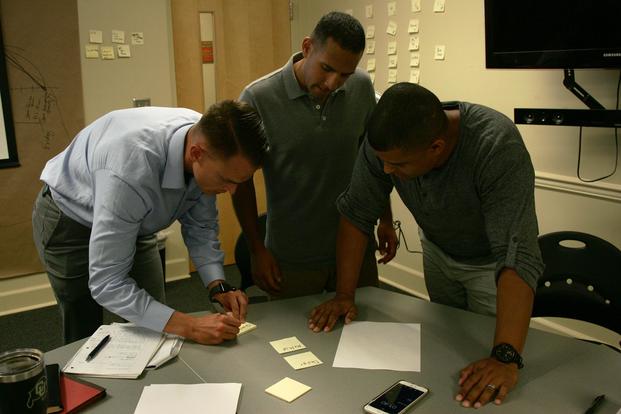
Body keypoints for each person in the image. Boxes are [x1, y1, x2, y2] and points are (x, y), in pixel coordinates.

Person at [309, 83, 544, 408]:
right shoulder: (387, 145)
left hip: (491, 266)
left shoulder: (495, 144)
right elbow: (356, 212)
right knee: (448, 349)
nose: (387, 171)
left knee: (491, 373)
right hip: (437, 250)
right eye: (385, 163)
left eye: (399, 166)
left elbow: (515, 251)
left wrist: (505, 357)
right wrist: (344, 295)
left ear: (436, 147)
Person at [32, 100, 268, 345]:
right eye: (226, 180)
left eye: (239, 181)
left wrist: (218, 286)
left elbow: (201, 227)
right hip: (72, 218)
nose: (232, 191)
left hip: (135, 217)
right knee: (84, 332)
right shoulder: (131, 168)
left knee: (154, 321)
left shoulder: (212, 141)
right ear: (196, 154)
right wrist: (192, 326)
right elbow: (107, 284)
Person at [232, 11, 397, 299]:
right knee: (293, 340)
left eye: (345, 74)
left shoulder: (360, 87)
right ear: (307, 48)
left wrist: (385, 218)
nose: (333, 83)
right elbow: (240, 181)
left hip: (355, 246)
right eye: (326, 68)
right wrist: (256, 250)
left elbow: (372, 157)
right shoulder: (258, 98)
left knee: (363, 335)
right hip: (292, 258)